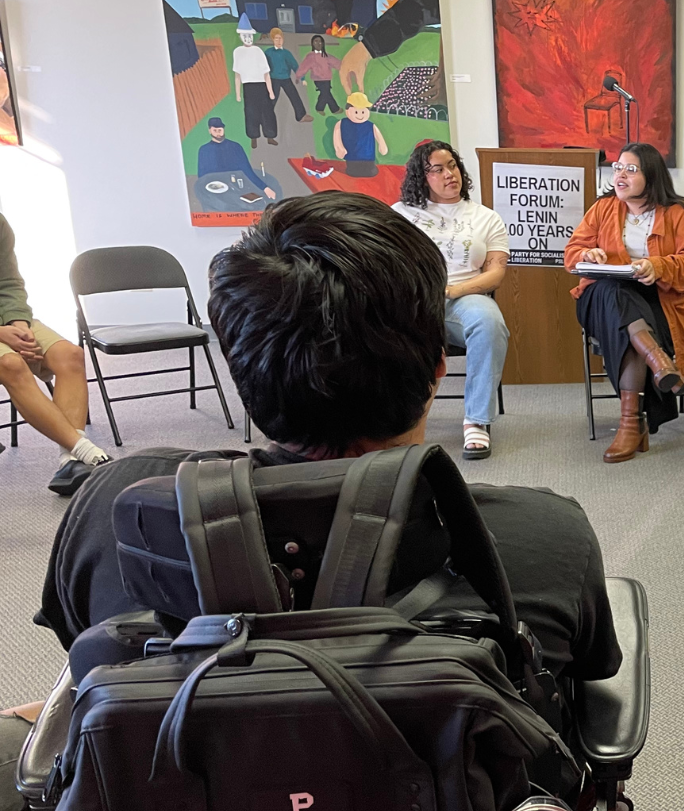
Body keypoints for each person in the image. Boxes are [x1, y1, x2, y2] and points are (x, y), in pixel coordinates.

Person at [36, 191, 618, 679]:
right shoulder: (546, 538)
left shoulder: (113, 510)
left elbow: (88, 670)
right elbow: (581, 693)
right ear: (438, 367)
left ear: (242, 373)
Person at [564, 143, 684, 463]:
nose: (620, 175)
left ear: (651, 175)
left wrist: (658, 266)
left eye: (631, 169)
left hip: (659, 300)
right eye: (617, 168)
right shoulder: (602, 209)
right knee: (614, 293)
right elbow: (572, 253)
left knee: (628, 326)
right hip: (599, 299)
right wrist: (587, 255)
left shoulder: (679, 214)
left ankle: (632, 424)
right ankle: (659, 362)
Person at [391, 140, 509, 460]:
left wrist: (452, 291)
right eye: (438, 169)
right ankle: (403, 422)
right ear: (421, 176)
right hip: (415, 300)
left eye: (452, 165)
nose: (449, 174)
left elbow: (495, 272)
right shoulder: (400, 215)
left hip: (464, 296)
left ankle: (476, 421)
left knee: (489, 323)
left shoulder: (485, 217)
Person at [0, 213, 110, 496]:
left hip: (7, 320)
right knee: (11, 363)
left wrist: (19, 325)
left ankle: (70, 462)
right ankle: (86, 451)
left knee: (70, 355)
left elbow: (10, 284)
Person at [194, 117, 276, 200]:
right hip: (213, 189)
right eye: (215, 130)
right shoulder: (204, 150)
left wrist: (265, 188)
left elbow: (247, 170)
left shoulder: (235, 147)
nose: (218, 133)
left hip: (236, 187)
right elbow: (202, 176)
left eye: (220, 130)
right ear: (210, 131)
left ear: (223, 130)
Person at [231, 14, 276, 149]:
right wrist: (238, 94)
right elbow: (237, 75)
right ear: (240, 37)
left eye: (250, 36)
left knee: (266, 111)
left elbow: (266, 73)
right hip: (248, 87)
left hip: (261, 85)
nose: (248, 39)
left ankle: (270, 135)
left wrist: (270, 91)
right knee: (251, 112)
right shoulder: (237, 52)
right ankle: (253, 136)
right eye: (245, 36)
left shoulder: (258, 51)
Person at [263, 27, 311, 124]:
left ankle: (301, 115)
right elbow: (263, 67)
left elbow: (295, 65)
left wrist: (302, 78)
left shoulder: (286, 53)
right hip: (273, 79)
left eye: (280, 38)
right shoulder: (268, 53)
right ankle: (266, 119)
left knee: (294, 96)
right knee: (271, 99)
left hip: (286, 78)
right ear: (272, 39)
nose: (279, 41)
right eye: (276, 38)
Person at [334, 91, 386, 178]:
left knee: (370, 172)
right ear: (347, 111)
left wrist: (382, 146)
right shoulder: (342, 123)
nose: (360, 115)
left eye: (363, 112)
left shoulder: (370, 125)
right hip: (351, 157)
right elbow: (337, 136)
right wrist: (339, 148)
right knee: (352, 171)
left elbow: (379, 137)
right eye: (356, 112)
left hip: (368, 158)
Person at [296, 35, 342, 115]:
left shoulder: (326, 55)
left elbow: (336, 63)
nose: (318, 44)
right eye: (316, 41)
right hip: (318, 79)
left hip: (327, 78)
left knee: (326, 93)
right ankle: (334, 109)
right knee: (325, 93)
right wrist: (298, 75)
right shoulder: (311, 56)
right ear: (312, 44)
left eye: (320, 42)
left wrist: (344, 67)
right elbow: (304, 66)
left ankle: (321, 108)